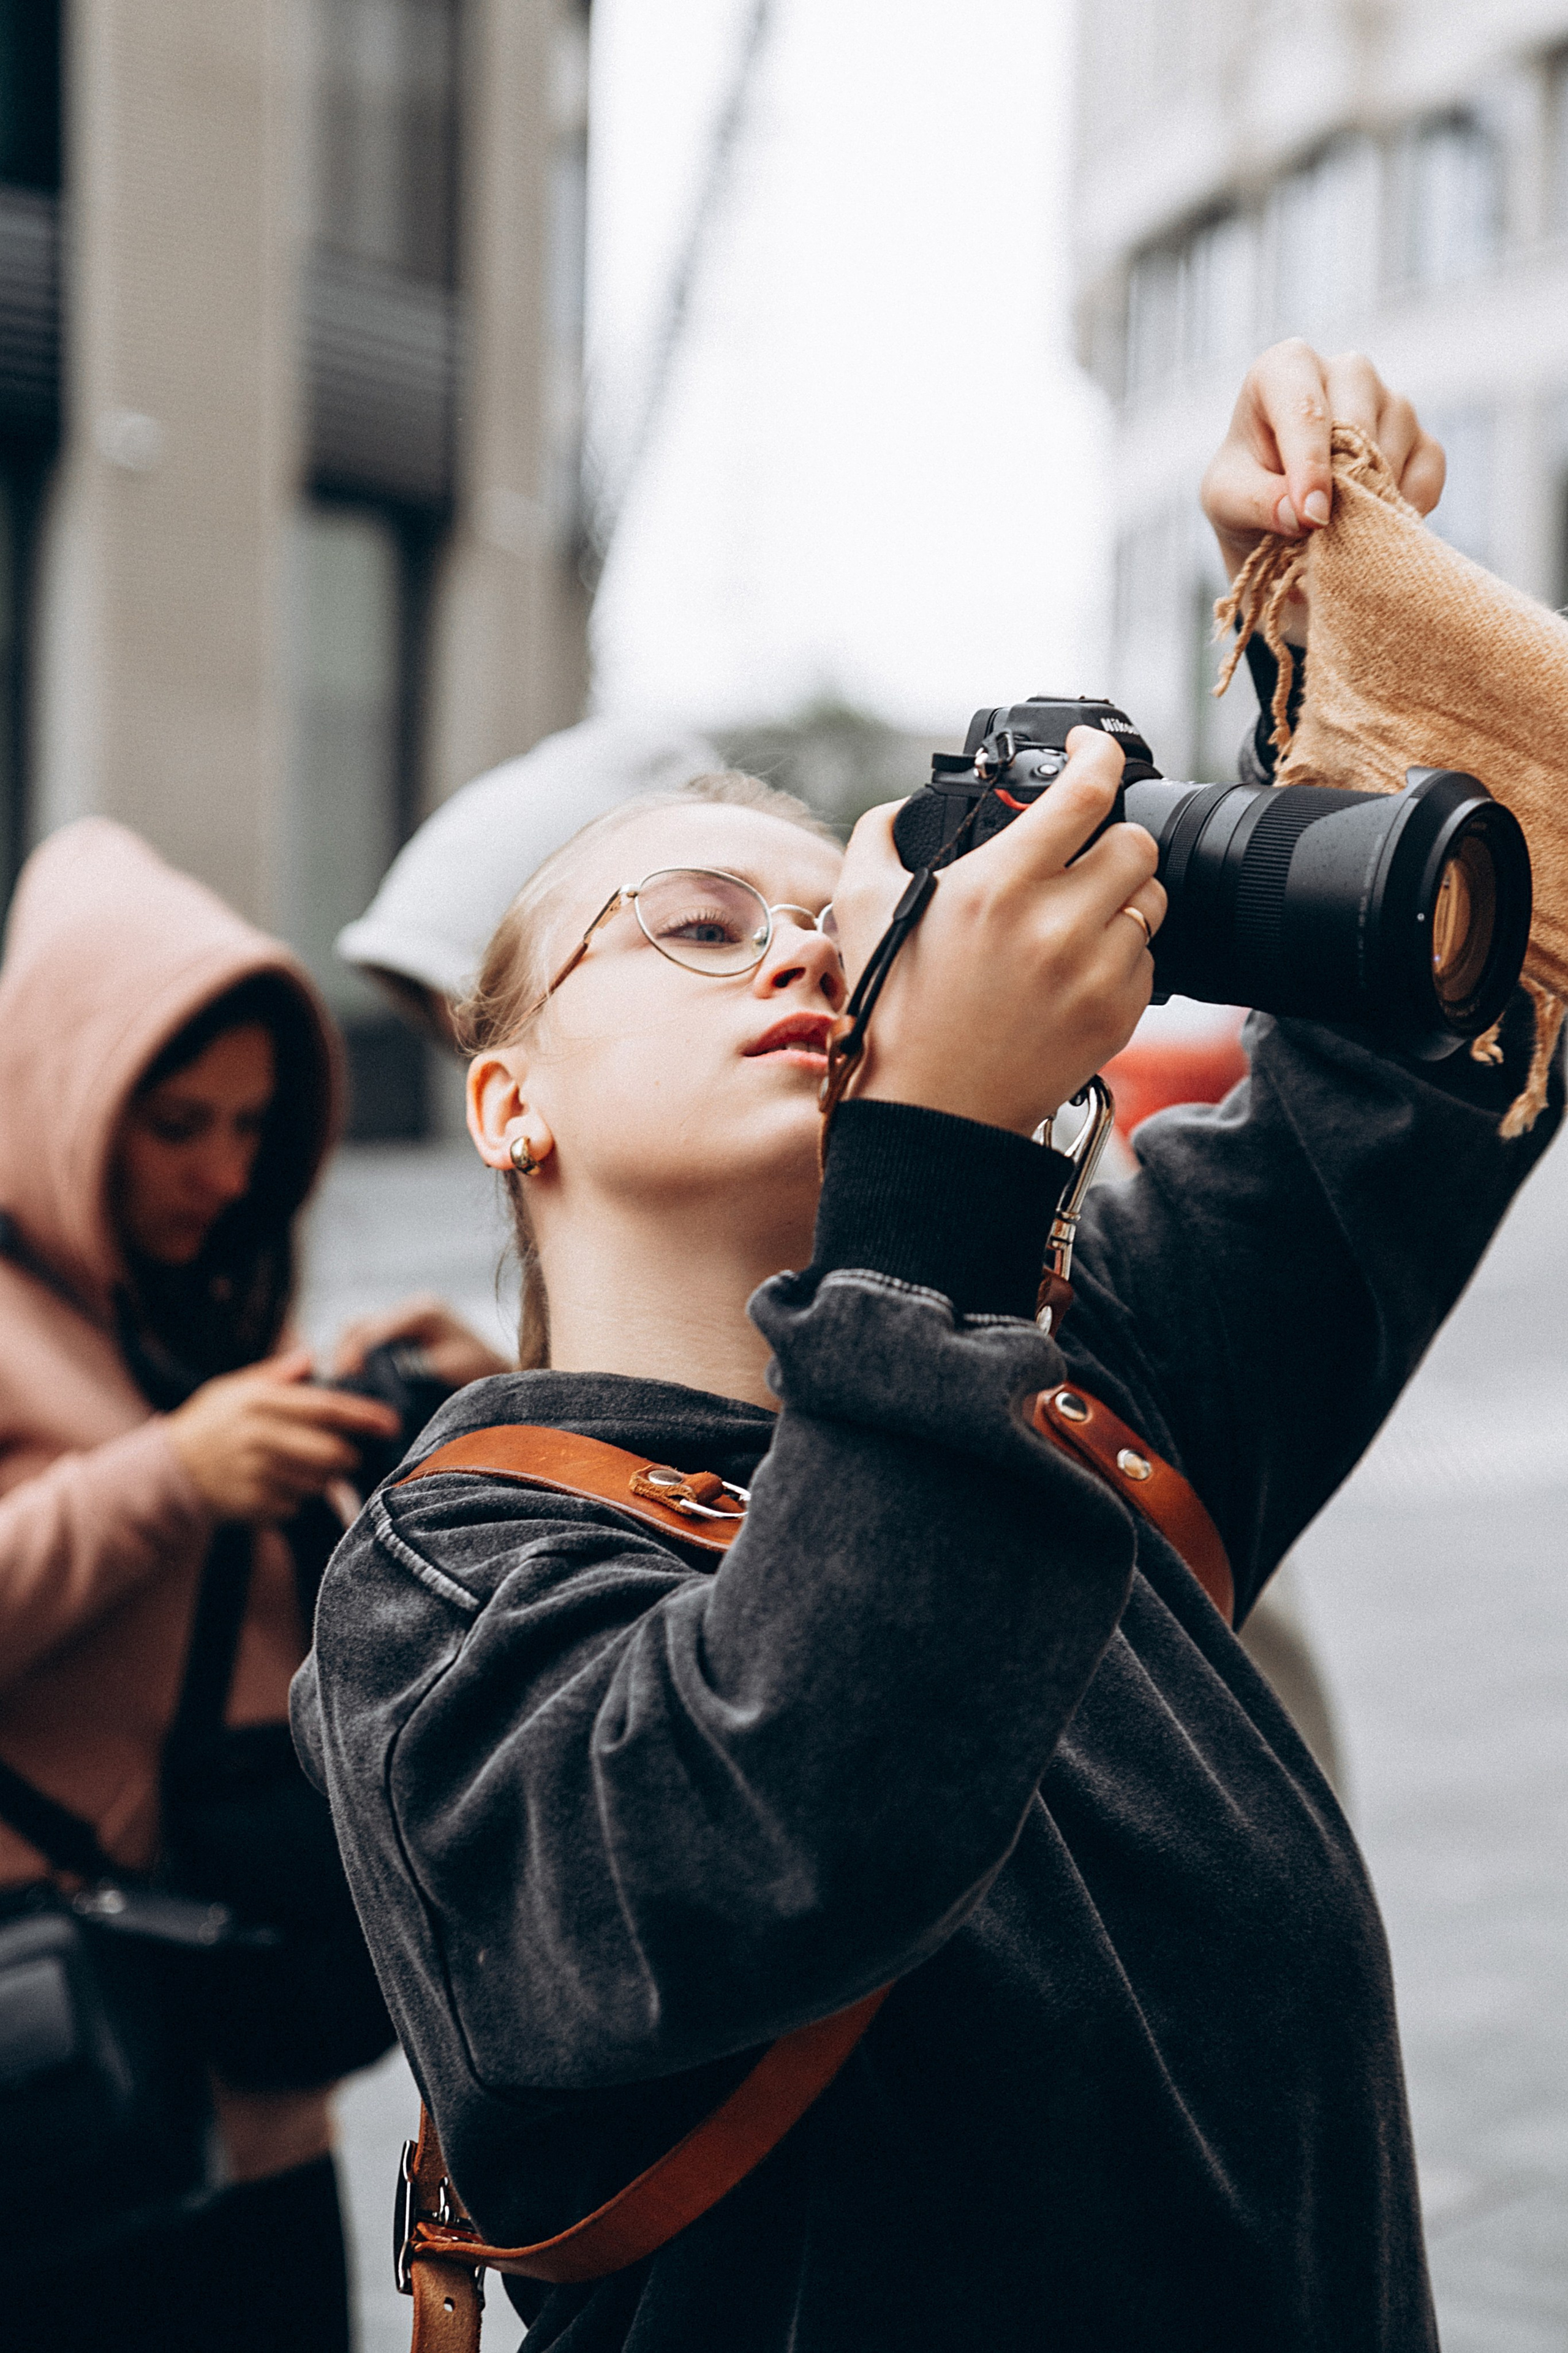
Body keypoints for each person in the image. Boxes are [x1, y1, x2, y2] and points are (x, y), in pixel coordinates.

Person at [296, 344, 1555, 2350]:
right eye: (700, 927)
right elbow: (748, 1847)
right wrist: (940, 1181)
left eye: (849, 928)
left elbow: (1442, 1046)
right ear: (507, 1098)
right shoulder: (445, 1585)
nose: (802, 950)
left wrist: (1335, 609)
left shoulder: (1083, 1401)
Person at [0, 818, 434, 2351]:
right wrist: (174, 1472)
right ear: (60, 1103)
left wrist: (420, 1429)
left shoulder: (197, 1308)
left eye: (256, 1126)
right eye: (176, 1120)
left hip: (257, 2077)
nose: (225, 1170)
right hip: (57, 2062)